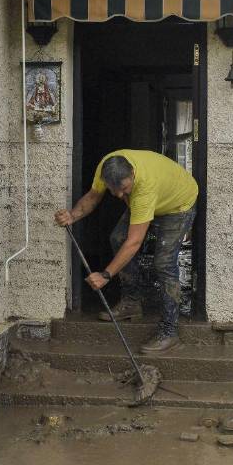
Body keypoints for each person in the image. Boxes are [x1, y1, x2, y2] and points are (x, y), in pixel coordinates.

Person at [55, 149, 198, 353]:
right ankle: (132, 302)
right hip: (150, 196)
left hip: (177, 204)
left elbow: (134, 242)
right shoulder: (107, 165)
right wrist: (72, 216)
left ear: (132, 173)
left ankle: (170, 331)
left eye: (123, 189)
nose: (120, 196)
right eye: (114, 191)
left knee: (164, 262)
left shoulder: (144, 187)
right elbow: (94, 196)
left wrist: (106, 275)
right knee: (117, 237)